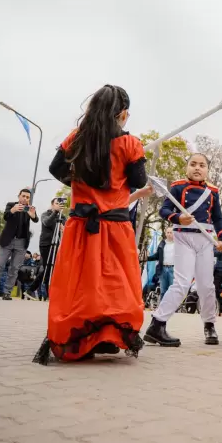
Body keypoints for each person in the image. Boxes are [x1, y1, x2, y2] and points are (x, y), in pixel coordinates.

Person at [33, 84, 146, 364]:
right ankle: (106, 333)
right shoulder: (130, 144)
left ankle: (90, 336)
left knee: (80, 284)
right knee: (115, 283)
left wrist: (80, 183)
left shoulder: (77, 138)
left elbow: (55, 169)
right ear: (123, 114)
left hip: (81, 223)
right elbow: (139, 181)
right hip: (115, 226)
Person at [144, 153, 222, 348]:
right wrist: (177, 218)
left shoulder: (213, 191)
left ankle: (209, 325)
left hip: (206, 239)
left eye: (202, 165)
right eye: (193, 164)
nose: (197, 168)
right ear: (187, 168)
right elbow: (164, 210)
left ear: (207, 170)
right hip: (183, 237)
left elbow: (218, 218)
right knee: (181, 283)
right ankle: (157, 324)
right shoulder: (177, 187)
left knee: (207, 286)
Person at [0, 189, 38, 300]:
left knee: (14, 268)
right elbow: (6, 216)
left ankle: (7, 292)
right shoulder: (11, 205)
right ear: (19, 196)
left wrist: (33, 215)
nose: (25, 198)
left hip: (21, 243)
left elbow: (36, 220)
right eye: (23, 196)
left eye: (27, 197)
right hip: (8, 240)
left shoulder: (30, 208)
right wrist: (13, 210)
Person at [25, 198, 68, 300]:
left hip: (57, 244)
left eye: (60, 204)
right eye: (56, 203)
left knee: (51, 269)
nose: (58, 205)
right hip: (46, 244)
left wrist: (65, 228)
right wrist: (55, 212)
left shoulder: (62, 217)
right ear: (52, 205)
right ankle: (35, 291)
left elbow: (66, 228)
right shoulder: (46, 214)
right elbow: (47, 223)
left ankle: (43, 293)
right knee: (48, 268)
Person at [147, 227, 176, 299]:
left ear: (174, 233)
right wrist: (147, 258)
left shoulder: (178, 244)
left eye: (171, 232)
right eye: (168, 232)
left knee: (172, 291)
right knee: (163, 291)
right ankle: (162, 309)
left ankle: (171, 309)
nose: (169, 234)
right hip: (162, 269)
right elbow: (157, 255)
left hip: (173, 269)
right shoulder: (162, 243)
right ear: (165, 233)